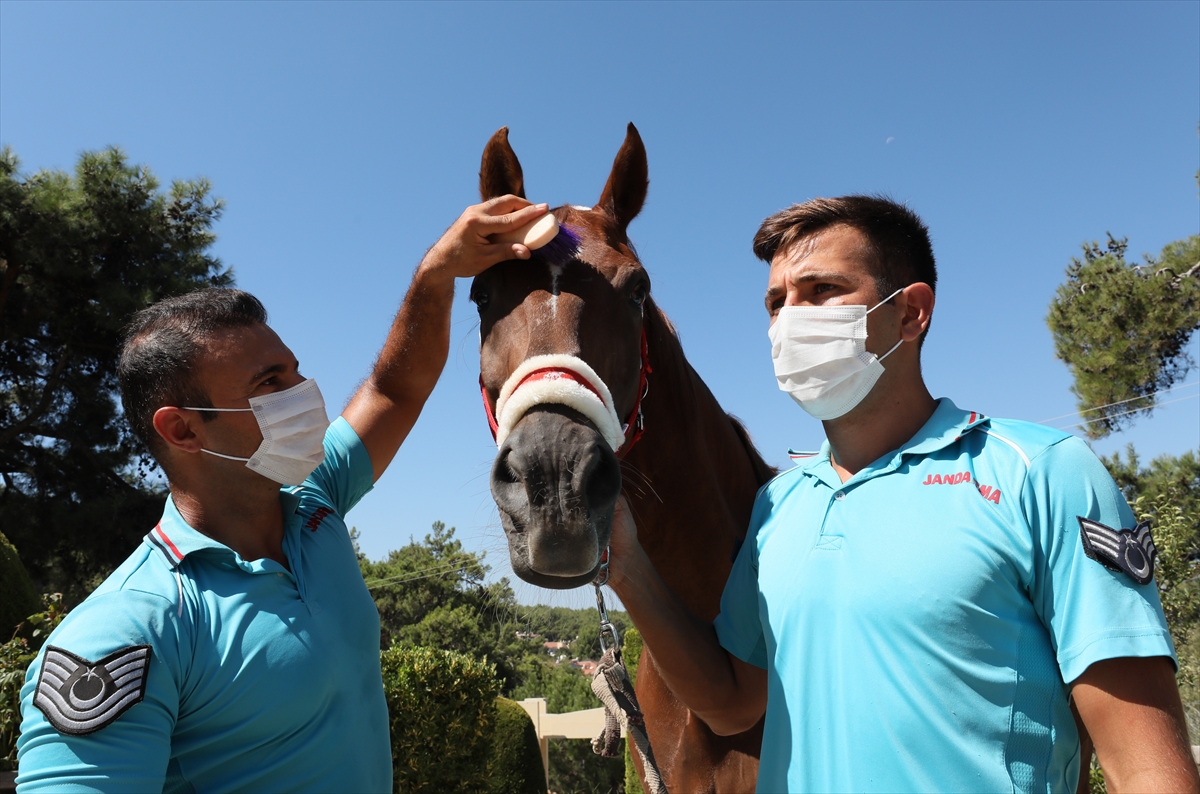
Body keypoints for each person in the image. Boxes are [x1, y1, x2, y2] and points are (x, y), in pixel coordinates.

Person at [608, 196, 1200, 793]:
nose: (789, 319)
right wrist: (627, 567)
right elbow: (732, 704)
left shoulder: (1040, 473)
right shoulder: (778, 506)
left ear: (911, 314)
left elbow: (1147, 768)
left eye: (821, 290)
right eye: (775, 301)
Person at [14, 196, 551, 792]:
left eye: (294, 371)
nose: (303, 393)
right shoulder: (125, 631)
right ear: (183, 429)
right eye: (269, 383)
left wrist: (437, 273)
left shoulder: (312, 502)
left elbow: (395, 389)